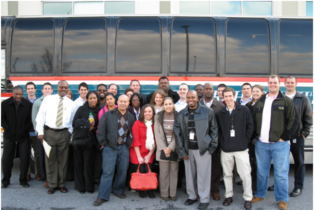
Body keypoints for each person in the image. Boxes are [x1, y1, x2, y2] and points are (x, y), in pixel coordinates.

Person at [251, 75, 299, 210]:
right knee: (261, 171)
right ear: (267, 84)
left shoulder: (286, 101)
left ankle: (282, 199)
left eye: (275, 83)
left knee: (281, 173)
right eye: (270, 82)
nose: (272, 85)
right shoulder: (260, 101)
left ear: (279, 84)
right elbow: (253, 121)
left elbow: (294, 120)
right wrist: (255, 136)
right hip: (261, 144)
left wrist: (285, 137)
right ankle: (260, 194)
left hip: (280, 144)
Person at [268, 75, 313, 197]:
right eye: (288, 82)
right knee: (280, 163)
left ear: (296, 84)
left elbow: (308, 118)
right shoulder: (279, 97)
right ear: (284, 84)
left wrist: (304, 134)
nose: (290, 84)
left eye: (292, 82)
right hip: (281, 138)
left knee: (299, 162)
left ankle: (298, 186)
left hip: (296, 137)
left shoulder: (303, 99)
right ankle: (278, 184)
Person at [174, 90, 218, 210]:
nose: (190, 100)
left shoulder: (207, 112)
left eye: (193, 97)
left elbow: (214, 130)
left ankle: (204, 199)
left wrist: (211, 147)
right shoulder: (181, 114)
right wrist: (181, 151)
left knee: (203, 175)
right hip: (188, 149)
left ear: (197, 97)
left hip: (203, 149)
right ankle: (192, 196)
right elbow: (177, 133)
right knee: (189, 175)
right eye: (188, 98)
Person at [216, 87, 254, 209]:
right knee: (227, 174)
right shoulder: (220, 113)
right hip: (226, 149)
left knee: (245, 175)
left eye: (230, 96)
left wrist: (245, 141)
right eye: (225, 96)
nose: (228, 98)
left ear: (234, 96)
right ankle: (228, 196)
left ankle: (248, 198)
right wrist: (223, 144)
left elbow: (250, 127)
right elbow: (218, 131)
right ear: (223, 97)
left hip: (241, 149)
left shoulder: (244, 110)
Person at [94, 95, 135, 206]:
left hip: (124, 148)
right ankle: (102, 196)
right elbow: (101, 131)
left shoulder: (131, 117)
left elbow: (132, 132)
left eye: (125, 101)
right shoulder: (108, 115)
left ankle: (118, 190)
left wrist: (128, 144)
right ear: (117, 102)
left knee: (122, 171)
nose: (123, 103)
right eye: (121, 101)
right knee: (107, 172)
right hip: (110, 147)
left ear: (128, 103)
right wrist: (104, 144)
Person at [36, 80, 76, 194]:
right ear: (57, 88)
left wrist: (69, 133)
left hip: (64, 133)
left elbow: (73, 121)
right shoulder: (48, 99)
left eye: (65, 88)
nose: (63, 89)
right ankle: (52, 184)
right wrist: (40, 132)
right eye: (61, 87)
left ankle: (62, 184)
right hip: (49, 132)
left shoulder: (71, 103)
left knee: (63, 160)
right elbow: (40, 116)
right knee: (50, 159)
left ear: (68, 89)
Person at [1, 86, 33, 188]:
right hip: (9, 136)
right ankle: (6, 180)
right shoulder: (5, 104)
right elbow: (2, 119)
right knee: (7, 159)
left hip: (23, 136)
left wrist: (24, 129)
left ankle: (23, 180)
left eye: (20, 94)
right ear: (12, 94)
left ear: (22, 94)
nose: (18, 96)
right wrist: (8, 128)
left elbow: (29, 120)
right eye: (16, 94)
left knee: (24, 159)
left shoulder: (28, 104)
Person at [199, 82, 225, 201]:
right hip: (200, 141)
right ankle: (201, 189)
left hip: (215, 141)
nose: (208, 90)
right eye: (206, 88)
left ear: (213, 91)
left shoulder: (220, 105)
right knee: (201, 167)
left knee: (215, 167)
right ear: (203, 91)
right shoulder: (197, 104)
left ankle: (214, 190)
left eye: (210, 89)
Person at [72, 91, 101, 194]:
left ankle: (89, 186)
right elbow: (74, 123)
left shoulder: (100, 110)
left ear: (97, 99)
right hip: (80, 139)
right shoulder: (81, 109)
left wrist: (94, 127)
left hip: (91, 141)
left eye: (94, 98)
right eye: (90, 98)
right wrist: (87, 125)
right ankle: (80, 186)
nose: (93, 100)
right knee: (79, 163)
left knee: (88, 164)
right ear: (87, 99)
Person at [154, 97, 179, 201]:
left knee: (174, 171)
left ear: (173, 104)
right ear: (163, 105)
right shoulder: (158, 116)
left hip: (174, 148)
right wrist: (164, 148)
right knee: (163, 173)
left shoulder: (178, 115)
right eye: (166, 104)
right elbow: (157, 134)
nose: (168, 106)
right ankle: (164, 193)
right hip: (162, 149)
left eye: (170, 104)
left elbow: (179, 133)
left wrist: (171, 147)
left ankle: (172, 194)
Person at [129, 104, 156, 199]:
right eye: (145, 111)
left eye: (150, 111)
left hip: (149, 152)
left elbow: (155, 141)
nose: (147, 113)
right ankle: (141, 189)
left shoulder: (154, 124)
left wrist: (149, 155)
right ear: (142, 113)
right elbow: (135, 141)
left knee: (149, 170)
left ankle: (149, 189)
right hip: (137, 152)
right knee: (141, 171)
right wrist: (139, 156)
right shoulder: (137, 123)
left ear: (153, 113)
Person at [31, 82, 54, 188]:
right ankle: (44, 178)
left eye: (49, 88)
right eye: (45, 88)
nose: (47, 90)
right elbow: (35, 119)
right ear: (42, 90)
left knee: (51, 156)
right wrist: (39, 133)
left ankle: (52, 177)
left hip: (52, 134)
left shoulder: (55, 101)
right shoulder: (37, 102)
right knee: (42, 156)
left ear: (52, 90)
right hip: (41, 135)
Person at [244, 84, 264, 193]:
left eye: (258, 91)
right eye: (254, 91)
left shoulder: (265, 104)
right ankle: (250, 187)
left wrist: (257, 136)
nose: (255, 93)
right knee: (251, 164)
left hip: (261, 139)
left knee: (260, 165)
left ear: (262, 92)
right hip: (250, 140)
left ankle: (258, 188)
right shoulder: (248, 106)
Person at [95, 93, 118, 185]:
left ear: (114, 99)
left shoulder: (118, 109)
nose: (109, 101)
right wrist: (103, 143)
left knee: (117, 166)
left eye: (111, 99)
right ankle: (109, 185)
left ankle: (116, 184)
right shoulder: (102, 112)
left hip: (119, 142)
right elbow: (100, 128)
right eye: (107, 99)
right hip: (108, 143)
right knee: (108, 167)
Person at [25, 81, 40, 181]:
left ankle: (38, 173)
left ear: (35, 90)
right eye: (28, 88)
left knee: (37, 153)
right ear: (26, 90)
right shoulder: (23, 101)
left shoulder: (38, 102)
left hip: (35, 131)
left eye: (32, 88)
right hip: (25, 131)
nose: (30, 90)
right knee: (25, 153)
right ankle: (27, 173)